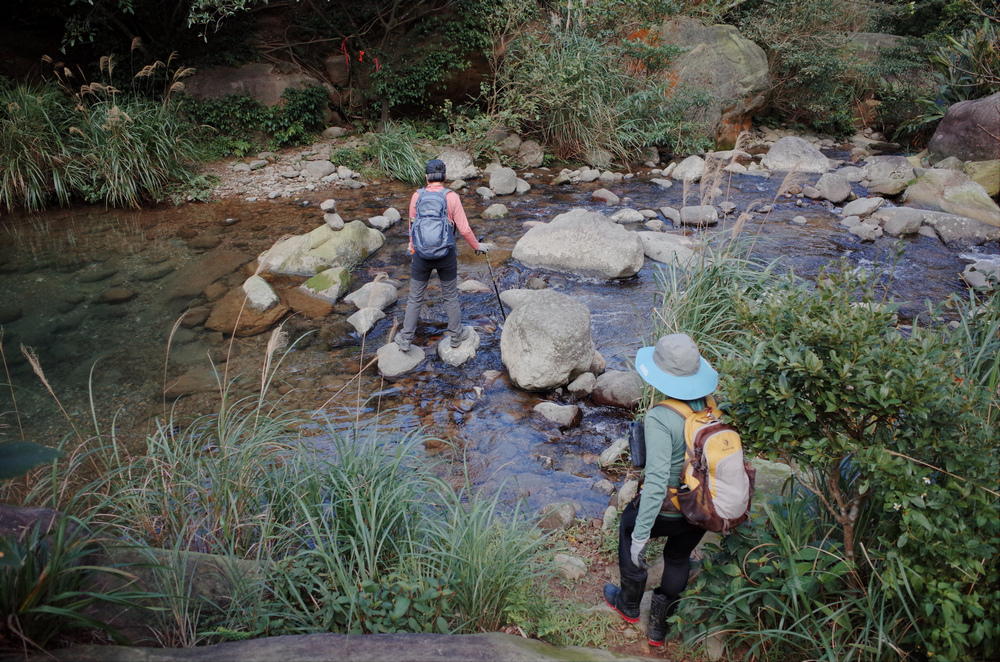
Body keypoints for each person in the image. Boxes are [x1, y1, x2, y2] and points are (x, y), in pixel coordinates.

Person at [603, 333, 718, 647]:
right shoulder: (711, 406)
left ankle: (628, 605)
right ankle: (659, 630)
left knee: (627, 527)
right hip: (702, 504)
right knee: (678, 558)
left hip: (671, 505)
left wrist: (641, 537)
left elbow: (654, 482)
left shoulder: (659, 417)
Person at [395, 159, 486, 351]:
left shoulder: (417, 196)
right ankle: (456, 336)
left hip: (421, 255)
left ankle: (405, 339)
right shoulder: (451, 197)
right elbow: (464, 229)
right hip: (446, 254)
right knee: (450, 296)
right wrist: (476, 246)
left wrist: (413, 247)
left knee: (415, 298)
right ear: (444, 176)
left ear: (426, 177)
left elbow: (412, 225)